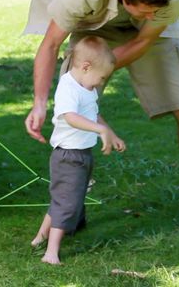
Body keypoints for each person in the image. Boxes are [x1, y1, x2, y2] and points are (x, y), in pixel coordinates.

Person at [23, 0, 179, 221]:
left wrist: (106, 63)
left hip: (146, 36)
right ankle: (69, 207)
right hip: (94, 23)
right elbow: (50, 44)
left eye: (155, 10)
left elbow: (143, 40)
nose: (151, 15)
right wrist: (40, 103)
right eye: (145, 10)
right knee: (73, 109)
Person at [31, 36, 126, 265]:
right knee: (68, 203)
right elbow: (70, 117)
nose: (100, 83)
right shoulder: (68, 88)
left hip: (82, 154)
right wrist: (98, 129)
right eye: (101, 78)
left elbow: (92, 113)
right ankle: (51, 252)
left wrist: (109, 133)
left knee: (64, 198)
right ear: (85, 67)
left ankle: (40, 238)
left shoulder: (86, 87)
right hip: (68, 156)